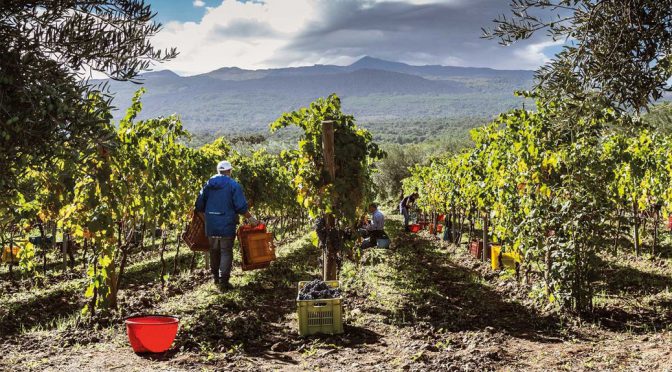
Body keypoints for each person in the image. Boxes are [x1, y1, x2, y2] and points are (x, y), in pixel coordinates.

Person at [195, 160, 259, 290]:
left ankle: (215, 279)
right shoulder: (233, 185)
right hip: (226, 223)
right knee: (225, 252)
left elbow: (199, 206)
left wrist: (208, 219)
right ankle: (224, 281)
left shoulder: (208, 184)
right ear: (229, 171)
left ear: (218, 171)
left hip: (211, 225)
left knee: (214, 251)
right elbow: (241, 207)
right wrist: (251, 218)